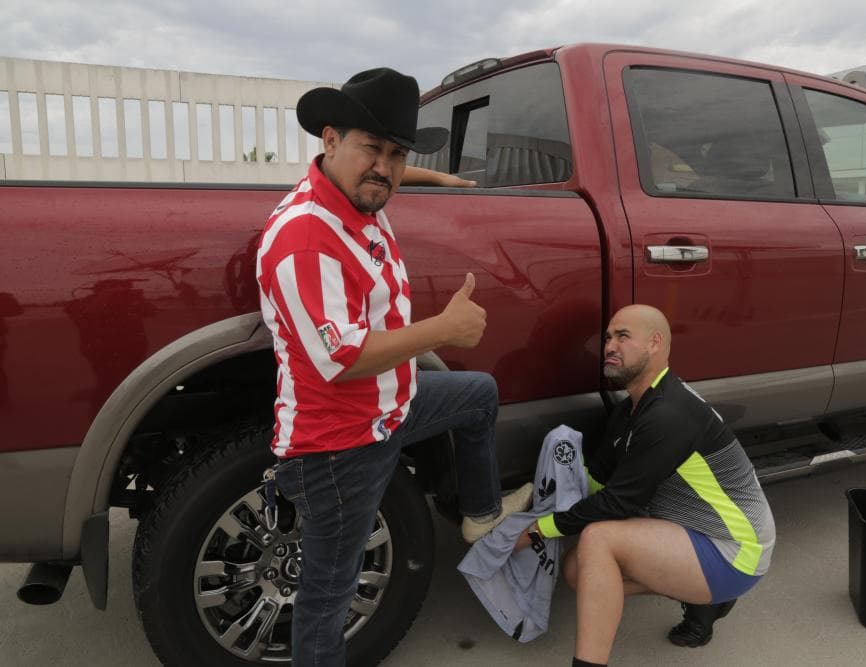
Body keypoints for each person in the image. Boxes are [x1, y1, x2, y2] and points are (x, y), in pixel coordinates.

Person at [256, 67, 531, 666]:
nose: (385, 167)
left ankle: (479, 517)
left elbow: (387, 174)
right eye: (371, 148)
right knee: (327, 599)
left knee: (477, 394)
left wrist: (448, 179)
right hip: (340, 447)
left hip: (392, 406)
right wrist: (447, 330)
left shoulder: (360, 194)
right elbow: (340, 358)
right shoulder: (306, 238)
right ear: (329, 140)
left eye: (397, 154)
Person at [516, 305, 776, 667]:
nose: (609, 345)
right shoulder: (632, 409)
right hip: (690, 529)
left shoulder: (668, 414)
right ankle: (705, 597)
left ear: (655, 344)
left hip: (735, 549)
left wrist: (537, 530)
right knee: (580, 573)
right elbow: (599, 480)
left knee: (599, 540)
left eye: (623, 336)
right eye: (608, 337)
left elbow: (618, 502)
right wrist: (537, 493)